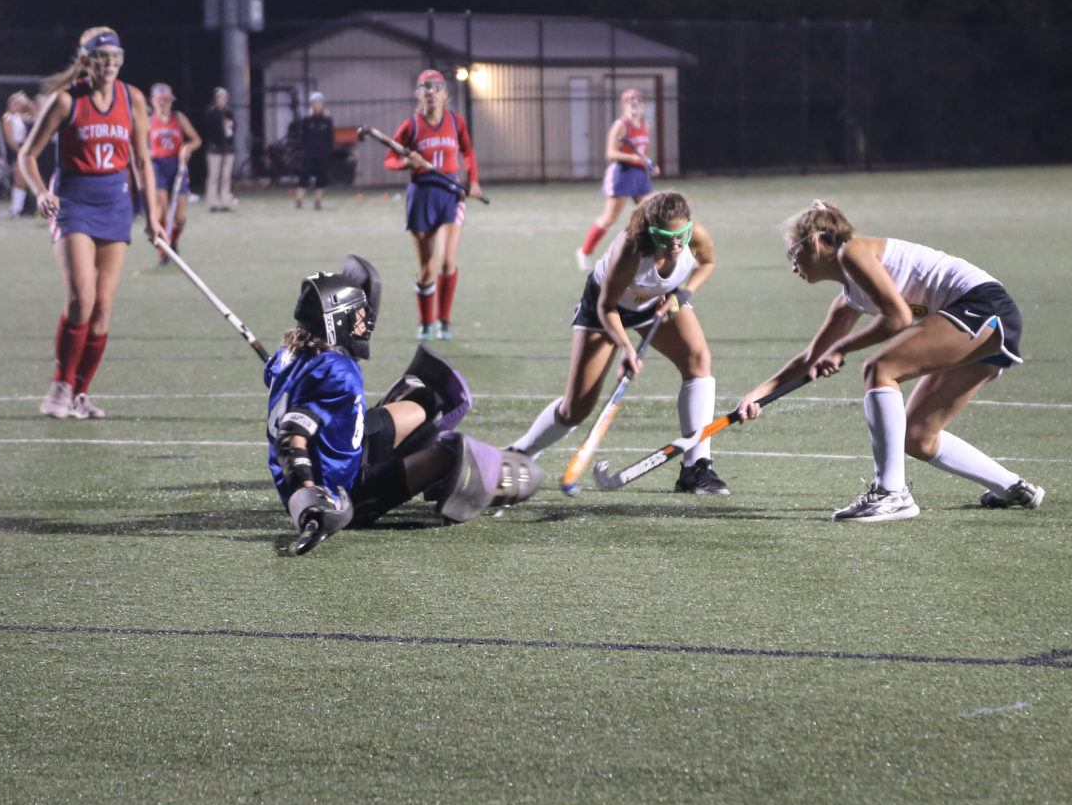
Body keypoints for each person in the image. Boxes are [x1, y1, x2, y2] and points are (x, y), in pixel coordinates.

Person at [739, 200, 1044, 522]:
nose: (793, 266)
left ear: (813, 242)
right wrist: (759, 394)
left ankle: (891, 493)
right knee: (917, 437)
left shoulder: (852, 252)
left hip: (981, 309)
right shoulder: (850, 297)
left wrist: (841, 349)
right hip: (984, 323)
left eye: (792, 253)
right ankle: (1013, 487)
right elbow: (810, 359)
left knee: (879, 369)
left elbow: (897, 318)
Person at [265, 254, 542, 551]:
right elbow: (290, 438)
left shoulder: (284, 357)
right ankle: (472, 480)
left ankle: (420, 468)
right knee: (455, 453)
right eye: (356, 313)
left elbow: (283, 384)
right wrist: (311, 502)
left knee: (428, 397)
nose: (364, 318)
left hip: (344, 451)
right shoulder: (336, 370)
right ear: (335, 320)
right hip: (345, 492)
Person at [509, 189, 729, 495]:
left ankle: (696, 468)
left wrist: (683, 294)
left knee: (698, 360)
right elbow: (606, 307)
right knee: (576, 408)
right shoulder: (631, 250)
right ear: (652, 233)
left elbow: (707, 263)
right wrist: (626, 348)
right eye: (667, 237)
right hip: (607, 310)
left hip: (655, 302)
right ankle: (519, 454)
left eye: (683, 234)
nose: (677, 244)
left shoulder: (693, 236)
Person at [14, 26, 155, 421]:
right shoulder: (65, 101)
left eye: (115, 57)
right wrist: (41, 192)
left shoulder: (133, 99)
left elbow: (141, 161)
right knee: (82, 298)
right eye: (101, 57)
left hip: (116, 203)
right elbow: (27, 155)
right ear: (86, 61)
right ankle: (60, 384)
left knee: (103, 309)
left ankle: (80, 392)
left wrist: (154, 217)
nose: (109, 64)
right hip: (74, 202)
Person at [384, 69, 483, 340]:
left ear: (445, 94)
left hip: (450, 193)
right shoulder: (411, 126)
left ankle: (444, 321)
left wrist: (472, 180)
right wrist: (406, 162)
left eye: (437, 87)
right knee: (427, 268)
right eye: (426, 88)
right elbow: (389, 159)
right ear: (419, 94)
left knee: (448, 261)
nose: (432, 92)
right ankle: (426, 322)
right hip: (422, 195)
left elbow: (468, 151)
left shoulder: (456, 121)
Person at [574, 87, 658, 269]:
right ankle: (585, 251)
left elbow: (642, 152)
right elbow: (611, 153)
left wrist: (649, 164)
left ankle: (648, 256)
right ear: (624, 105)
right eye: (630, 101)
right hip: (622, 173)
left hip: (640, 175)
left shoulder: (645, 125)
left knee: (652, 213)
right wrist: (633, 158)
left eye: (638, 101)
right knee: (610, 217)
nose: (635, 104)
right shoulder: (621, 124)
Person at [145, 83, 202, 262]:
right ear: (153, 101)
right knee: (161, 211)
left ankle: (173, 242)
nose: (164, 104)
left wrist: (188, 147)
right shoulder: (149, 121)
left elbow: (196, 140)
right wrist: (147, 153)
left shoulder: (179, 118)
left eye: (167, 100)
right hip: (158, 167)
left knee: (179, 216)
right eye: (160, 100)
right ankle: (164, 249)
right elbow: (138, 147)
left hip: (177, 166)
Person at [291, 91, 337, 211]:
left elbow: (330, 139)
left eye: (319, 103)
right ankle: (299, 200)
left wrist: (329, 153)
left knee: (322, 178)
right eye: (315, 103)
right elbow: (302, 138)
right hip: (309, 154)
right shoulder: (307, 121)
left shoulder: (327, 120)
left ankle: (317, 201)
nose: (317, 105)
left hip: (323, 154)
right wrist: (302, 151)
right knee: (304, 176)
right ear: (311, 105)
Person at [2, 92, 37, 217]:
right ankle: (15, 209)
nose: (17, 106)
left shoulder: (19, 116)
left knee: (23, 180)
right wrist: (19, 151)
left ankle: (21, 208)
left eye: (19, 104)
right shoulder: (8, 117)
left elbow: (35, 116)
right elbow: (9, 138)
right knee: (19, 179)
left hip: (23, 147)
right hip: (16, 148)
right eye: (15, 103)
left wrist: (28, 103)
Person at [203, 86, 238, 210]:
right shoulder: (211, 112)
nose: (222, 100)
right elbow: (208, 129)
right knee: (214, 176)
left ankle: (225, 202)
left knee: (226, 177)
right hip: (215, 148)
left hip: (228, 148)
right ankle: (213, 202)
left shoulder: (229, 112)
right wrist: (221, 127)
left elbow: (234, 129)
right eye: (219, 97)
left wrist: (230, 127)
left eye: (224, 97)